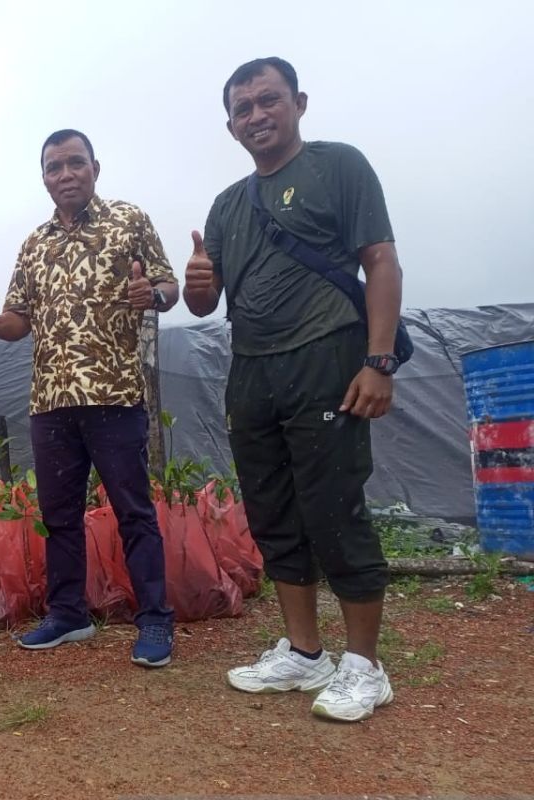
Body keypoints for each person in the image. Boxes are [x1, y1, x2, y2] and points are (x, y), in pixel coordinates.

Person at [184, 57, 404, 721]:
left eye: (267, 100)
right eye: (243, 108)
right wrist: (196, 287)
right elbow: (206, 303)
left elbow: (381, 260)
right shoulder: (227, 205)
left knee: (335, 507)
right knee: (274, 511)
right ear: (230, 126)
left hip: (327, 358)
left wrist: (379, 361)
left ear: (298, 103)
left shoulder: (339, 167)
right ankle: (306, 655)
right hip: (250, 369)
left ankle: (366, 666)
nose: (257, 115)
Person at [0, 130, 179, 667]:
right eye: (53, 167)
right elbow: (19, 321)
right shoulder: (34, 243)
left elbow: (168, 286)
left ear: (95, 168)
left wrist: (149, 295)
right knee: (58, 514)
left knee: (133, 511)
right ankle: (68, 615)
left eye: (74, 163)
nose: (64, 174)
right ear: (43, 177)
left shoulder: (127, 221)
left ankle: (154, 620)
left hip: (114, 394)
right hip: (51, 400)